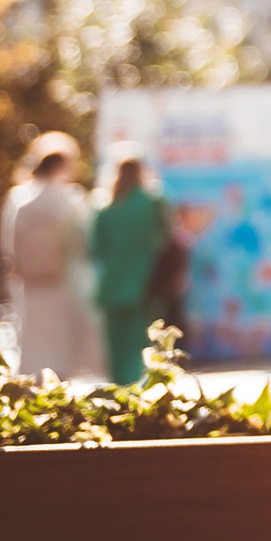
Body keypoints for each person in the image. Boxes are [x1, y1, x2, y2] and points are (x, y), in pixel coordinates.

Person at [0, 133, 104, 380]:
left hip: (29, 283)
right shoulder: (71, 198)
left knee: (33, 340)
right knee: (61, 341)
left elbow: (7, 245)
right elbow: (84, 241)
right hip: (63, 280)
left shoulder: (18, 198)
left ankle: (33, 385)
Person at [91, 149, 175, 385]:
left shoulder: (105, 207)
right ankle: (143, 399)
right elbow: (170, 237)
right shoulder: (154, 200)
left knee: (117, 351)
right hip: (145, 284)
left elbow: (97, 249)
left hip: (112, 287)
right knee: (145, 346)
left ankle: (121, 399)